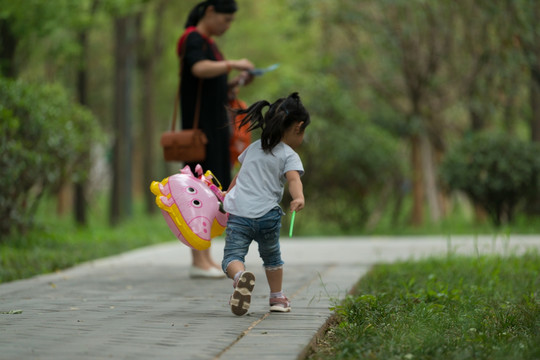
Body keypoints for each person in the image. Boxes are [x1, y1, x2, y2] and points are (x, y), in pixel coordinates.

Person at [178, 0, 255, 279]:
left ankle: (205, 257)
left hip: (216, 130)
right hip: (201, 132)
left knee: (211, 191)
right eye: (226, 19)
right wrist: (232, 63)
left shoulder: (208, 43)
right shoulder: (192, 39)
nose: (227, 25)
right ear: (210, 12)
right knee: (197, 193)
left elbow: (212, 86)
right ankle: (197, 260)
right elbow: (198, 69)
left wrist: (235, 81)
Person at [221, 92, 311, 316]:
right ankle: (277, 298)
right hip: (267, 216)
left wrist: (226, 195)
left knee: (231, 257)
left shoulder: (252, 149)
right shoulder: (288, 155)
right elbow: (293, 179)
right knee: (272, 258)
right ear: (298, 127)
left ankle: (241, 277)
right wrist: (298, 197)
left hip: (239, 213)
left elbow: (240, 176)